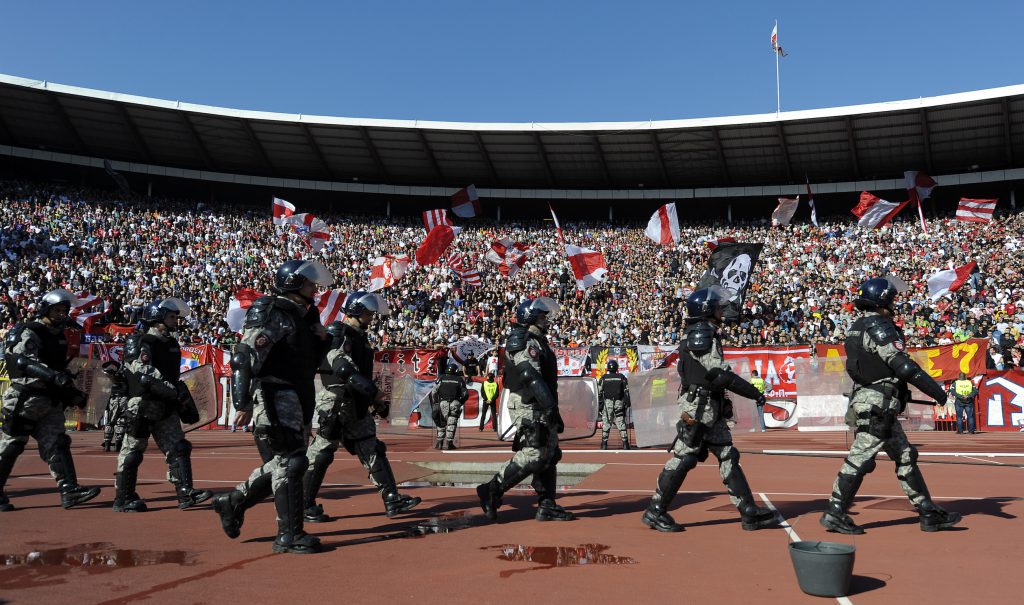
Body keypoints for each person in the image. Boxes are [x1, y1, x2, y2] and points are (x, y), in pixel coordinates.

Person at [819, 277, 962, 535]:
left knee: (905, 456)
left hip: (876, 402)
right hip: (877, 404)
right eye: (892, 298)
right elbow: (901, 365)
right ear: (883, 299)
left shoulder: (858, 326)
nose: (894, 303)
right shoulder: (878, 325)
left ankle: (928, 512)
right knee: (860, 458)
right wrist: (939, 393)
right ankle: (835, 511)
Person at [212, 260, 333, 554]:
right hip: (275, 395)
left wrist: (322, 339)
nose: (314, 289)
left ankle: (233, 501)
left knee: (283, 465)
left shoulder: (302, 317)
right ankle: (289, 535)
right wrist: (242, 401)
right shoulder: (272, 312)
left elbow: (306, 360)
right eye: (309, 283)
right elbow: (244, 355)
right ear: (293, 283)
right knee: (291, 463)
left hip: (298, 396)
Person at [641, 287, 778, 533]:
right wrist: (753, 393)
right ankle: (655, 510)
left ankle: (748, 511)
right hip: (698, 408)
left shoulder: (707, 332)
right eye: (716, 306)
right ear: (706, 310)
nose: (720, 310)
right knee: (684, 458)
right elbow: (718, 373)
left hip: (709, 407)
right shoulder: (701, 333)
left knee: (727, 454)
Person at [302, 293, 421, 523]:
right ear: (355, 310)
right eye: (367, 312)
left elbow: (359, 372)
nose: (371, 317)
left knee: (373, 448)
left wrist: (372, 399)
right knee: (322, 453)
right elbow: (342, 368)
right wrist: (374, 394)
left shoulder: (360, 337)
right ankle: (304, 505)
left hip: (355, 403)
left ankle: (391, 499)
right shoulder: (340, 331)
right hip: (337, 403)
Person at [0, 289, 101, 512]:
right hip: (25, 397)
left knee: (58, 444)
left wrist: (72, 393)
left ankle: (70, 490)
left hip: (49, 400)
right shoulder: (29, 331)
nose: (61, 314)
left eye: (64, 310)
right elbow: (23, 361)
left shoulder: (59, 335)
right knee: (12, 445)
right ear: (45, 308)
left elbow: (61, 369)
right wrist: (54, 376)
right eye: (56, 309)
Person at [476, 297, 574, 522]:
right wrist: (549, 406)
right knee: (534, 453)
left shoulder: (539, 341)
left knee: (550, 453)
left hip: (541, 403)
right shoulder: (524, 341)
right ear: (530, 317)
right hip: (527, 403)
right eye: (542, 317)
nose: (546, 321)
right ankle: (491, 490)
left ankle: (547, 503)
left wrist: (553, 408)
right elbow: (530, 376)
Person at [113, 298, 212, 512]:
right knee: (133, 450)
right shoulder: (140, 341)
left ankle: (186, 493)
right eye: (171, 317)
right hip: (143, 404)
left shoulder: (171, 343)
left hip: (166, 405)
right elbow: (143, 373)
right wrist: (172, 391)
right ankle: (124, 497)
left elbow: (173, 377)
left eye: (176, 317)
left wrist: (181, 396)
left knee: (179, 447)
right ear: (157, 317)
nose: (175, 321)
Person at [431, 363, 468, 450]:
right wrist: (460, 402)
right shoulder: (459, 379)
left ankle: (439, 443)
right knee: (451, 423)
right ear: (456, 371)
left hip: (442, 402)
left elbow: (434, 391)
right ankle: (449, 443)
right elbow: (465, 394)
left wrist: (435, 401)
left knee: (441, 423)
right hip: (454, 402)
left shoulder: (441, 378)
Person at [597, 360, 630, 449]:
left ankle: (604, 444)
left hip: (607, 404)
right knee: (620, 422)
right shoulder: (622, 377)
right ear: (616, 367)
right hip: (619, 402)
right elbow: (626, 391)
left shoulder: (603, 378)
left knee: (606, 423)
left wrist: (600, 406)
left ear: (608, 368)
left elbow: (599, 393)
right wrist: (627, 403)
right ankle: (625, 444)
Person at [101, 361, 128, 452]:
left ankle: (109, 444)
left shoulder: (111, 376)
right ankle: (117, 444)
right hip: (121, 399)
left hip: (115, 400)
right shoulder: (126, 373)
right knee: (121, 421)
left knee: (111, 422)